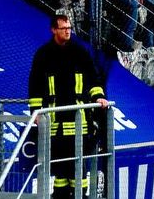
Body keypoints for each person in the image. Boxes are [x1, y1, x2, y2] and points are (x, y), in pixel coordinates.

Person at [28, 14, 108, 199]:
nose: (68, 31)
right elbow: (35, 86)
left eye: (69, 28)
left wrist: (99, 97)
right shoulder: (44, 55)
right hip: (55, 124)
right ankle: (61, 195)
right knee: (60, 168)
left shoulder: (80, 53)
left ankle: (81, 195)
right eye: (64, 28)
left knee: (79, 167)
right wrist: (36, 113)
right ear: (53, 30)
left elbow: (93, 79)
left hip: (79, 122)